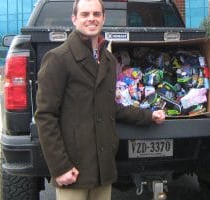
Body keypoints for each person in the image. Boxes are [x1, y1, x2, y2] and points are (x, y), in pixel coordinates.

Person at [34, 0, 165, 199]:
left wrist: (148, 115)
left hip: (103, 170)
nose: (91, 19)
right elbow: (45, 116)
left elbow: (110, 108)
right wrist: (60, 167)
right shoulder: (58, 59)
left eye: (96, 14)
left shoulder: (108, 60)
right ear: (74, 19)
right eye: (85, 14)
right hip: (73, 171)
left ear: (104, 18)